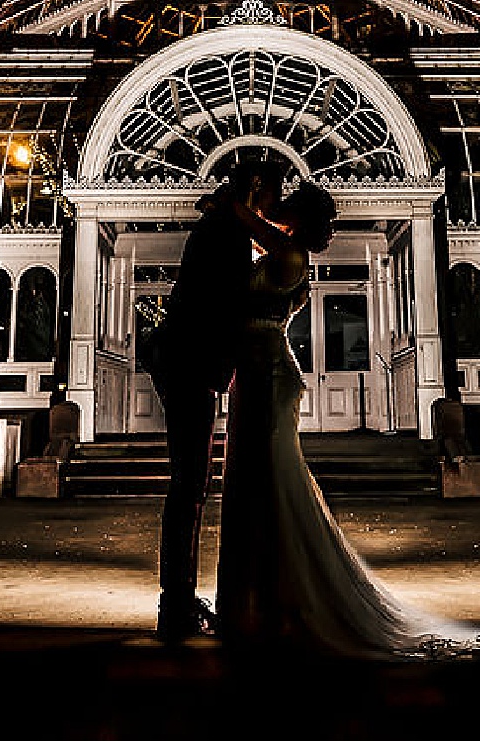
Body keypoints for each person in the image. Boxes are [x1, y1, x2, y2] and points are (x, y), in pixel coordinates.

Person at [214, 181, 480, 659]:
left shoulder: (289, 253)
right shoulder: (282, 250)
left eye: (290, 203)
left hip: (269, 377)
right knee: (253, 483)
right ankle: (257, 601)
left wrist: (244, 197)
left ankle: (278, 602)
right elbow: (248, 238)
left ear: (297, 217)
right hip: (255, 374)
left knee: (269, 484)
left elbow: (242, 220)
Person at [143, 158, 286, 643]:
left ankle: (179, 598)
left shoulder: (223, 223)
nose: (277, 204)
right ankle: (175, 604)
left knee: (191, 483)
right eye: (275, 192)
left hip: (186, 358)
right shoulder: (224, 231)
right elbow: (222, 302)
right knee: (189, 484)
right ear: (258, 186)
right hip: (190, 361)